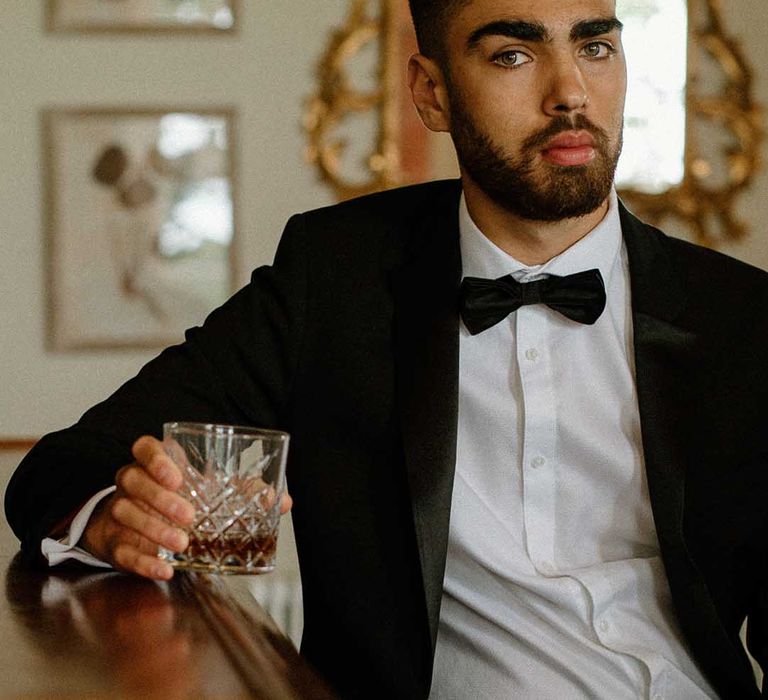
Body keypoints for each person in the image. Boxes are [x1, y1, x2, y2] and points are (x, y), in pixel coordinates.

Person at [5, 0, 767, 697]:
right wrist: (114, 518)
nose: (571, 91)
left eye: (595, 47)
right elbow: (67, 463)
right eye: (513, 54)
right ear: (431, 93)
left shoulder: (744, 315)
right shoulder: (334, 280)